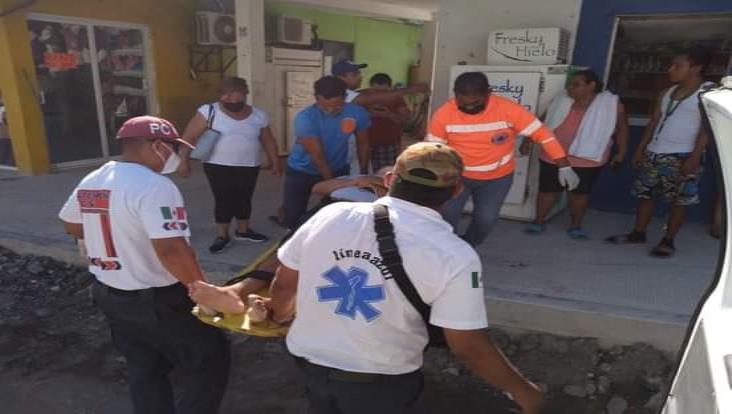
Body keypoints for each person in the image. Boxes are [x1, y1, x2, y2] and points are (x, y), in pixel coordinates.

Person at [268, 142, 544, 414]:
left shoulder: (330, 215)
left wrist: (278, 315)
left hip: (310, 370)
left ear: (389, 179)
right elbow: (467, 344)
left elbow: (283, 285)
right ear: (457, 190)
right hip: (381, 384)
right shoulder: (455, 255)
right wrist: (523, 391)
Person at [58, 116, 230, 414]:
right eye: (173, 148)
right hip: (158, 300)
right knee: (208, 361)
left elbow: (71, 223)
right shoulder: (154, 186)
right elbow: (172, 249)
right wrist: (202, 292)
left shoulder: (96, 177)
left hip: (110, 293)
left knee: (144, 368)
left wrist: (113, 236)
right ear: (158, 145)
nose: (175, 156)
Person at [189, 170, 391, 315]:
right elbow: (318, 188)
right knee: (285, 255)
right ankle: (237, 291)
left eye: (391, 173)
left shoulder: (395, 192)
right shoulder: (356, 178)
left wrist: (379, 184)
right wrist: (357, 182)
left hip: (362, 220)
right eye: (385, 171)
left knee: (319, 261)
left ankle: (269, 306)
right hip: (326, 212)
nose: (387, 173)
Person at [430, 72, 579, 247]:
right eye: (464, 100)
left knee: (486, 220)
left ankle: (468, 246)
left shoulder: (507, 109)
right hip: (456, 177)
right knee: (446, 218)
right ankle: (448, 251)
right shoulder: (443, 114)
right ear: (455, 93)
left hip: (496, 179)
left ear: (488, 93)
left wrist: (564, 166)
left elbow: (543, 134)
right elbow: (434, 151)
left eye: (476, 100)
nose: (470, 105)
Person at [606, 47, 715, 258]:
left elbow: (706, 128)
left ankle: (668, 240)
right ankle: (638, 233)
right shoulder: (666, 93)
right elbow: (654, 122)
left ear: (696, 68)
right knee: (645, 195)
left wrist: (694, 157)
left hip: (683, 155)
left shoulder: (707, 93)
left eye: (677, 65)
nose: (670, 69)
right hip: (655, 152)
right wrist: (641, 149)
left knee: (679, 200)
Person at [177, 77, 282, 254]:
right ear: (220, 95)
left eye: (237, 96)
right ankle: (222, 235)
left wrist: (275, 161)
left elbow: (268, 140)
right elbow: (189, 136)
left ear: (245, 94)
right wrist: (183, 161)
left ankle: (243, 230)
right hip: (217, 165)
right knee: (223, 199)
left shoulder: (258, 115)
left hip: (249, 164)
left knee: (244, 198)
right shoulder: (208, 111)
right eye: (227, 96)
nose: (232, 100)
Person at [524, 69, 629, 239]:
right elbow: (541, 122)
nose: (570, 89)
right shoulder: (561, 100)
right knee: (547, 191)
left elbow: (622, 128)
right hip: (553, 156)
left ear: (591, 85)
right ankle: (538, 221)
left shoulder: (610, 104)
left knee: (579, 195)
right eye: (569, 85)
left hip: (587, 159)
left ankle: (575, 226)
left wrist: (622, 152)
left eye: (576, 85)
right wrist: (528, 140)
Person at [280, 76, 371, 229]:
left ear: (345, 97)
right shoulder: (305, 118)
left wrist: (362, 174)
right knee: (294, 216)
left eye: (337, 106)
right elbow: (318, 157)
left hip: (339, 167)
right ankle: (286, 220)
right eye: (325, 106)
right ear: (316, 99)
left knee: (335, 212)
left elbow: (364, 144)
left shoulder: (357, 113)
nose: (331, 110)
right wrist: (332, 186)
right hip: (301, 170)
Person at [331, 59, 430, 172]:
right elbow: (380, 98)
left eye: (359, 73)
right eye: (355, 74)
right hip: (348, 150)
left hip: (378, 145)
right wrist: (411, 89)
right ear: (341, 77)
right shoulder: (346, 95)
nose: (360, 77)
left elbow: (404, 118)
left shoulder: (353, 94)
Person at [366, 73, 411, 171]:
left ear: (390, 89)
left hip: (388, 145)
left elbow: (405, 119)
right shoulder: (363, 98)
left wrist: (389, 115)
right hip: (365, 143)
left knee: (387, 174)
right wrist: (367, 113)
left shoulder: (397, 99)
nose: (380, 95)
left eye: (384, 92)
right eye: (376, 91)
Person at [0, 99, 14, 167]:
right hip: (5, 133)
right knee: (6, 148)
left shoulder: (3, 108)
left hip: (4, 134)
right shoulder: (4, 109)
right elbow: (5, 120)